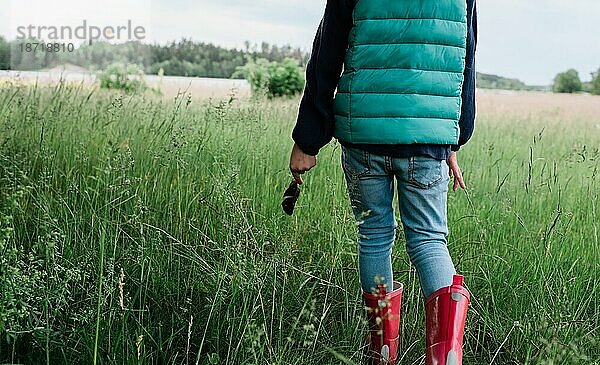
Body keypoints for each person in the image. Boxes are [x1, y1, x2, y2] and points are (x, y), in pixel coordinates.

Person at [289, 0, 478, 364]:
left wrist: (308, 139)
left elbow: (327, 53)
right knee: (428, 240)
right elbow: (465, 59)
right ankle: (446, 353)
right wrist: (452, 136)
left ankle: (382, 350)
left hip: (364, 134)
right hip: (428, 138)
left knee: (374, 235)